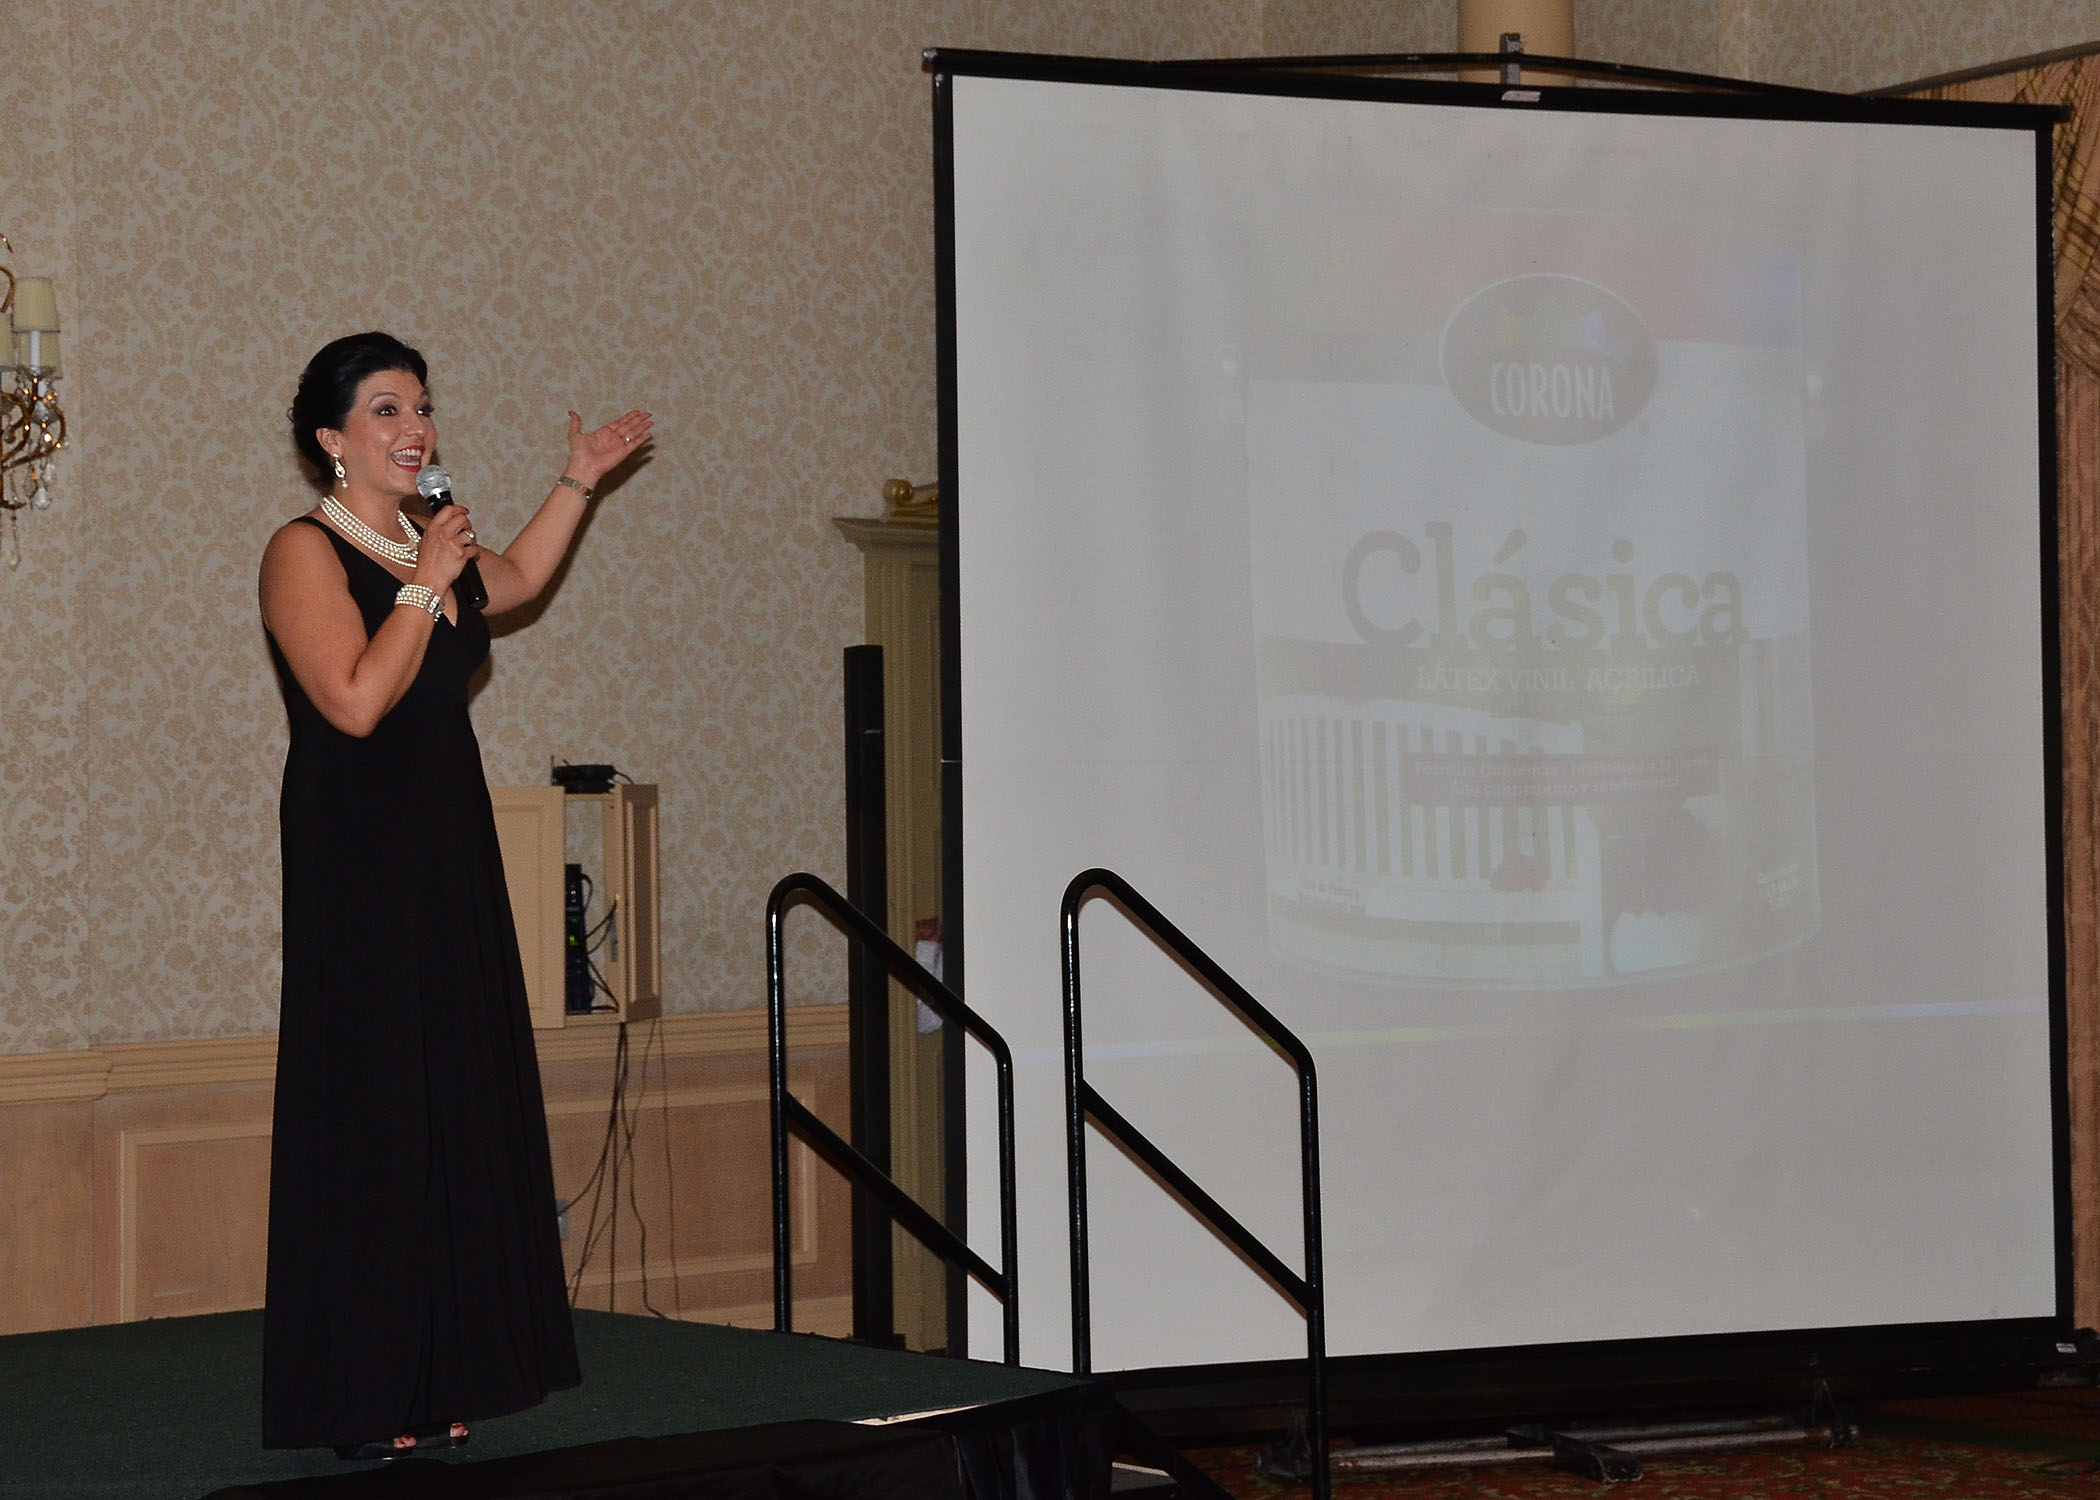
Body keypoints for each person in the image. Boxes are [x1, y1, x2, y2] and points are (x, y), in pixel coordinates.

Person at [257, 331, 652, 1460]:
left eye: (421, 405)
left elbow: (513, 581)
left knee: (444, 1102)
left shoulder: (425, 537)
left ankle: (438, 1372)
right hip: (362, 860)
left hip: (447, 846)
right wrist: (424, 584)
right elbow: (353, 702)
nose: (415, 426)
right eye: (386, 408)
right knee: (377, 1111)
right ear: (332, 439)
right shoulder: (303, 551)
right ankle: (362, 1390)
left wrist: (577, 480)